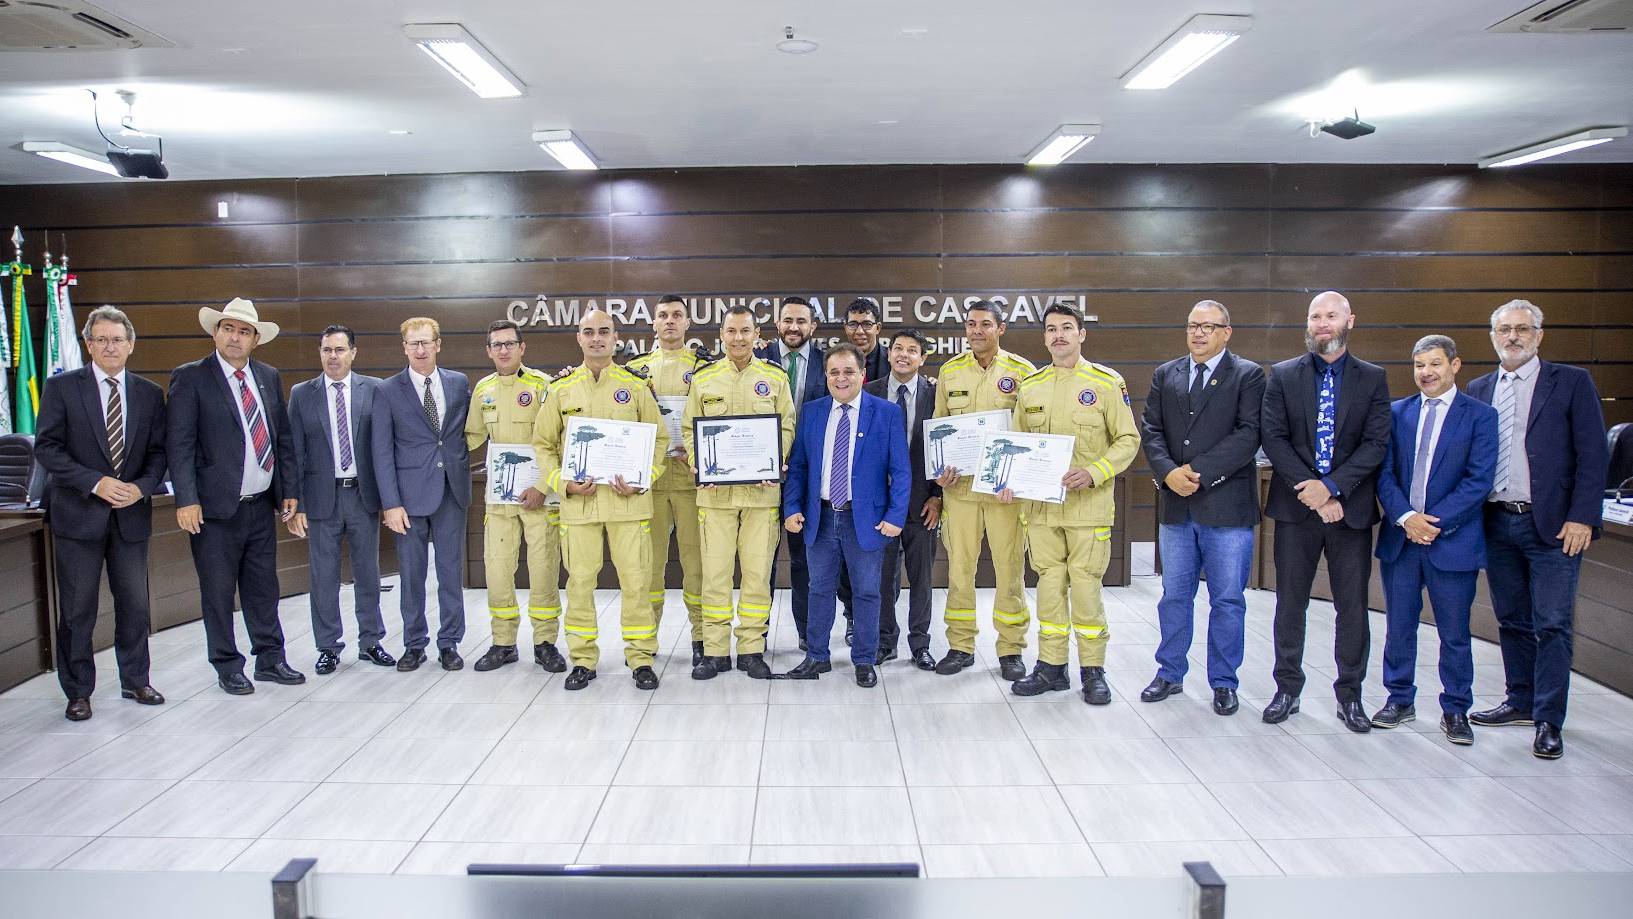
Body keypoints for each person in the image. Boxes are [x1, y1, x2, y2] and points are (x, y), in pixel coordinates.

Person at [1467, 300, 1608, 759]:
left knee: (1552, 623)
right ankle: (1520, 700)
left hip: (1553, 526)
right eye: (1504, 329)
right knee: (1511, 618)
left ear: (1539, 335)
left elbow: (1593, 455)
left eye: (1522, 329)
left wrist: (1583, 516)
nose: (1513, 336)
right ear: (1492, 336)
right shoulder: (1480, 387)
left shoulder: (1570, 383)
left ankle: (1549, 719)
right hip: (1496, 521)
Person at [1259, 291, 1391, 732]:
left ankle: (1350, 695)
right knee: (1289, 604)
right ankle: (1287, 688)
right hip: (1296, 510)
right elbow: (1274, 439)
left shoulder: (1373, 379)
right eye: (1315, 316)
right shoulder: (1282, 375)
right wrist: (1313, 491)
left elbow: (1375, 444)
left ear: (1349, 320)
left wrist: (1333, 489)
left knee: (1352, 607)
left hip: (1348, 513)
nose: (1321, 323)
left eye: (1330, 316)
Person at [35, 305, 167, 720]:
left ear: (131, 345)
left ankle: (136, 680)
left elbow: (160, 453)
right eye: (101, 339)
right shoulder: (62, 388)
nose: (110, 346)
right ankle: (78, 691)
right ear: (88, 344)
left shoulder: (148, 393)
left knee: (135, 605)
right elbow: (47, 448)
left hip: (130, 517)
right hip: (78, 516)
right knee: (78, 608)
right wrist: (95, 482)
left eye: (118, 339)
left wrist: (141, 488)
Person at [166, 297, 304, 694]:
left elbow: (281, 439)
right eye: (228, 329)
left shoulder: (267, 375)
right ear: (215, 333)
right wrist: (186, 499)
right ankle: (227, 664)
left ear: (255, 340)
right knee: (218, 591)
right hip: (213, 511)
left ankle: (270, 659)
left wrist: (288, 491)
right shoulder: (191, 377)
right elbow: (179, 444)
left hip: (260, 505)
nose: (235, 337)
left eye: (244, 332)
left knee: (264, 587)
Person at [1005, 303, 1140, 703]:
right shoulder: (1031, 386)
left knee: (1085, 590)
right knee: (1048, 588)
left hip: (1088, 508)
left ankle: (1093, 671)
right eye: (1051, 329)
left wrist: (1095, 471)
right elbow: (1016, 443)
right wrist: (1007, 478)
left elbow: (1128, 440)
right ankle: (1051, 668)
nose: (1059, 335)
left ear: (1082, 334)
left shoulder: (1105, 383)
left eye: (1067, 328)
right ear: (1044, 337)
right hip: (1042, 510)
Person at [1139, 300, 1265, 716]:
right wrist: (1169, 472)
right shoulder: (1166, 373)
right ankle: (1170, 672)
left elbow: (1249, 435)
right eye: (1193, 325)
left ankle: (1224, 682)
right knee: (1174, 595)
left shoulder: (1248, 375)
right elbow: (1151, 429)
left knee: (1227, 600)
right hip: (1176, 506)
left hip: (1226, 507)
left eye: (1208, 327)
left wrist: (1197, 471)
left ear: (1226, 332)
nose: (1198, 334)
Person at [1372, 335, 1497, 745]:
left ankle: (1456, 708)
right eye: (1419, 365)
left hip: (1452, 542)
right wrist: (1407, 518)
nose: (1426, 372)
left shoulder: (1480, 416)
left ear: (1455, 365)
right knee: (1400, 626)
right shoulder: (1397, 413)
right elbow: (1384, 475)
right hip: (1402, 540)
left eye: (1435, 364)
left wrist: (1434, 523)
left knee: (1455, 634)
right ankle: (1399, 698)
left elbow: (1479, 480)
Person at [535, 309, 668, 690]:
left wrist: (645, 479)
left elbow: (658, 439)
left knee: (636, 581)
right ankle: (582, 659)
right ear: (578, 338)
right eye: (589, 332)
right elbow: (543, 444)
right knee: (579, 582)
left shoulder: (636, 385)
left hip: (629, 503)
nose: (596, 338)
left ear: (615, 338)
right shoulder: (560, 389)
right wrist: (562, 482)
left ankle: (641, 658)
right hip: (579, 506)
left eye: (604, 332)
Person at [781, 343, 911, 687]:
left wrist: (896, 515)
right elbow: (798, 468)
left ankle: (864, 660)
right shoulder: (811, 412)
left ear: (862, 374)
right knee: (818, 589)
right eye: (834, 372)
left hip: (865, 520)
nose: (841, 378)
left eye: (848, 371)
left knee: (867, 592)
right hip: (820, 517)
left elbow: (901, 471)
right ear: (826, 376)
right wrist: (792, 507)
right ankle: (817, 657)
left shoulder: (885, 413)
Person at [687, 304, 797, 679]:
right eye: (731, 331)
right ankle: (715, 651)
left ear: (757, 335)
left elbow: (786, 427)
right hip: (715, 496)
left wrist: (774, 458)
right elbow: (689, 430)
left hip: (760, 495)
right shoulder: (703, 379)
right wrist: (697, 460)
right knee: (715, 574)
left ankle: (751, 649)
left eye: (745, 331)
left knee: (756, 573)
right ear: (721, 334)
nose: (738, 338)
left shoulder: (774, 377)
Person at [930, 299, 1036, 681]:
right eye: (971, 324)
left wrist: (1020, 477)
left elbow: (1032, 433)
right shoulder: (950, 371)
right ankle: (961, 646)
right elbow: (939, 429)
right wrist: (938, 472)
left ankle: (1011, 649)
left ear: (1001, 328)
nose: (977, 331)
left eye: (985, 324)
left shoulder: (1024, 373)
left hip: (1005, 494)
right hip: (960, 492)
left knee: (1010, 571)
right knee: (960, 571)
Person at [285, 325, 394, 674]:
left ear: (353, 352)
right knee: (324, 577)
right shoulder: (302, 394)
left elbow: (383, 448)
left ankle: (371, 641)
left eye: (339, 350)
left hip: (362, 495)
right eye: (327, 350)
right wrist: (297, 503)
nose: (333, 356)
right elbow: (294, 453)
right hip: (321, 498)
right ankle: (328, 646)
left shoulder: (374, 390)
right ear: (320, 353)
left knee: (367, 572)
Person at [371, 317, 472, 672]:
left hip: (450, 494)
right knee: (412, 575)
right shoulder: (387, 390)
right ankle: (414, 644)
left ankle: (449, 642)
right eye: (413, 343)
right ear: (404, 347)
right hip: (408, 500)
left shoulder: (459, 384)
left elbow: (462, 435)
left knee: (449, 571)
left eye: (426, 342)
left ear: (438, 344)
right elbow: (381, 451)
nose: (420, 349)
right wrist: (391, 503)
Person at [466, 320, 566, 674]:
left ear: (522, 347)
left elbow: (558, 439)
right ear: (489, 351)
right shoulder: (483, 390)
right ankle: (503, 643)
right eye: (497, 345)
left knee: (542, 571)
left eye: (510, 343)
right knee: (497, 571)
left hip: (540, 496)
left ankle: (545, 644)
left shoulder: (543, 386)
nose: (504, 350)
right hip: (501, 499)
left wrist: (543, 487)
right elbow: (471, 437)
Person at [627, 294, 712, 666]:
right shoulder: (633, 369)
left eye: (677, 315)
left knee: (697, 565)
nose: (670, 321)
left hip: (692, 480)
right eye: (663, 316)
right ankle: (646, 640)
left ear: (687, 322)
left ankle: (701, 637)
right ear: (654, 323)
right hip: (652, 480)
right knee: (650, 565)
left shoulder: (705, 367)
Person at [864, 328, 941, 670]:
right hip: (881, 506)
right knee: (881, 578)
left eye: (912, 350)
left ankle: (920, 644)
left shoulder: (938, 395)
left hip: (923, 504)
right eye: (898, 348)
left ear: (923, 358)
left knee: (922, 578)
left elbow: (945, 451)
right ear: (889, 352)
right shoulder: (869, 393)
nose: (904, 355)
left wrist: (938, 497)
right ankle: (884, 641)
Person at [755, 296, 825, 646]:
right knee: (761, 559)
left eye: (801, 321)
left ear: (812, 327)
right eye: (787, 320)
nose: (794, 327)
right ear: (777, 324)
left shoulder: (828, 365)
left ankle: (806, 633)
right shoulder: (756, 360)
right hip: (761, 472)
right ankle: (757, 633)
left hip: (809, 474)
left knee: (804, 561)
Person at [843, 297, 891, 382]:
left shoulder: (892, 361)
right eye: (853, 324)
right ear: (846, 328)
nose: (860, 331)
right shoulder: (835, 361)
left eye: (867, 324)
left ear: (878, 328)